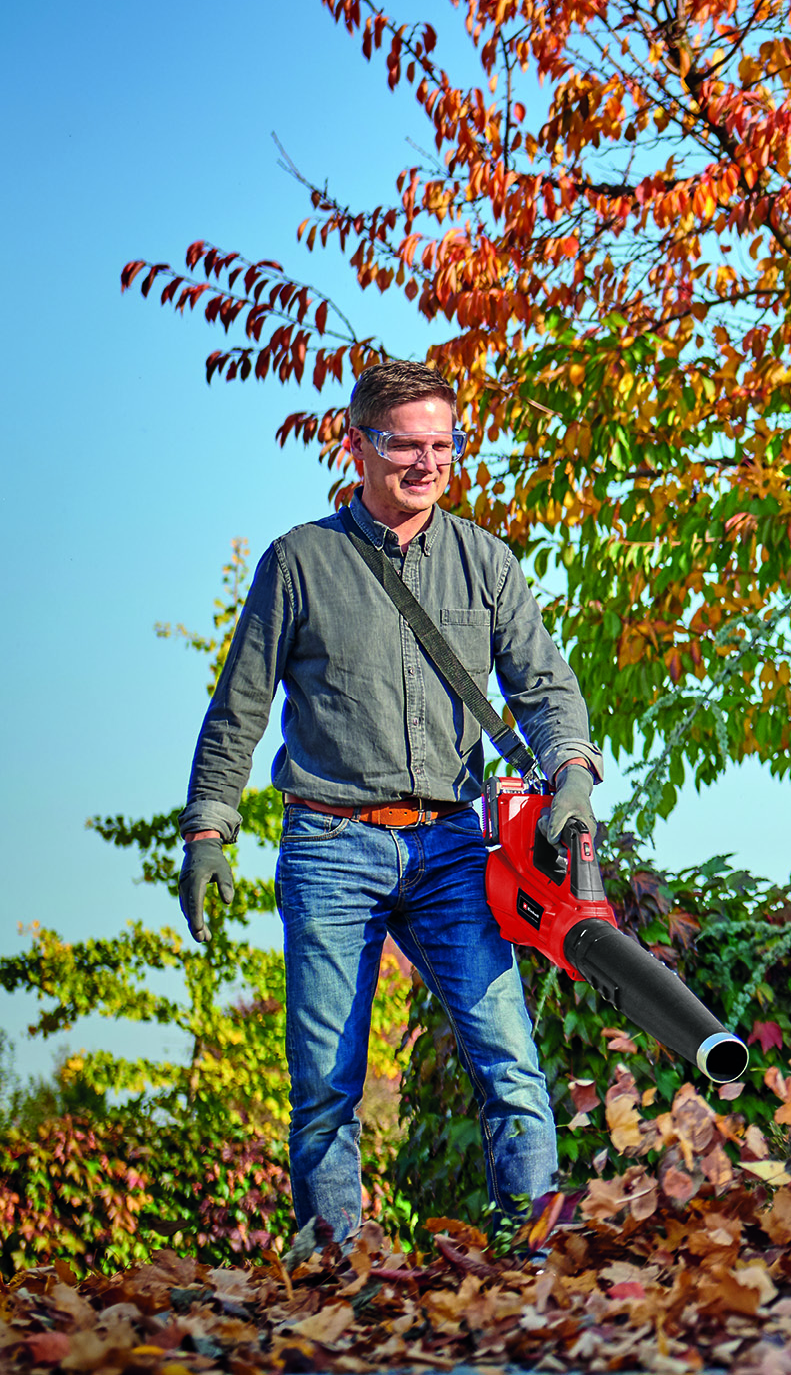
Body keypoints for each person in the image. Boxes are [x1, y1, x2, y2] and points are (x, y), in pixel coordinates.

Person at [176, 358, 599, 1242]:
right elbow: (239, 710)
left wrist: (572, 777)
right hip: (332, 841)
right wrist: (209, 831)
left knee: (510, 1063)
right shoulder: (300, 562)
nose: (427, 464)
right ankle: (337, 1266)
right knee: (327, 1080)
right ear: (356, 445)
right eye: (407, 445)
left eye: (443, 445)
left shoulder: (486, 561)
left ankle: (533, 1255)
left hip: (451, 847)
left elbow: (547, 690)